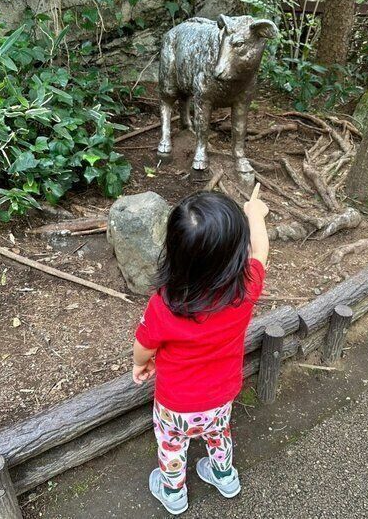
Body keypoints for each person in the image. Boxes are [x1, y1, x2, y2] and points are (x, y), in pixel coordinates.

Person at [131, 188, 269, 515]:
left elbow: (144, 345)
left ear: (174, 250)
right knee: (219, 434)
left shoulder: (163, 305)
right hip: (222, 396)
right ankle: (225, 476)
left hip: (174, 405)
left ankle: (173, 492)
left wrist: (142, 364)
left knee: (172, 447)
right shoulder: (246, 288)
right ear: (237, 252)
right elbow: (261, 250)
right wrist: (254, 214)